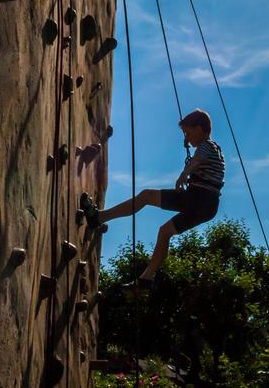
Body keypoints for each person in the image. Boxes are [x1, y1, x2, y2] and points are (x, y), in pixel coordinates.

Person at [85, 108, 225, 291]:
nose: (186, 138)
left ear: (199, 129)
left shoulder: (207, 146)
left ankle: (99, 217)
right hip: (207, 205)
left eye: (188, 132)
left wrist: (184, 173)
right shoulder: (215, 149)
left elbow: (197, 160)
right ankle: (146, 279)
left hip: (198, 198)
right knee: (165, 232)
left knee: (146, 196)